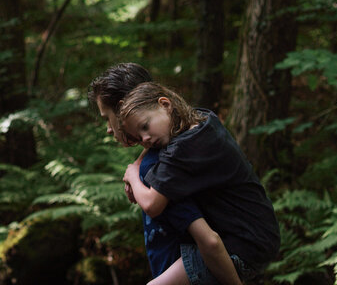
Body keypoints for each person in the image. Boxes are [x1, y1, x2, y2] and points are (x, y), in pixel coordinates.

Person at [88, 63, 242, 285]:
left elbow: (206, 238)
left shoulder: (162, 169)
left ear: (124, 109)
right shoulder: (185, 140)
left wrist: (136, 172)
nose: (109, 129)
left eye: (107, 117)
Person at [119, 81, 281, 284]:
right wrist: (139, 160)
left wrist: (133, 175)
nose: (146, 139)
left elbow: (152, 205)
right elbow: (155, 138)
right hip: (263, 234)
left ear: (165, 104)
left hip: (242, 246)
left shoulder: (181, 151)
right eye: (139, 137)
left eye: (145, 126)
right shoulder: (203, 120)